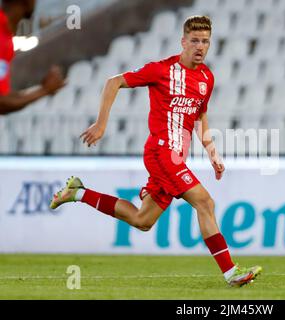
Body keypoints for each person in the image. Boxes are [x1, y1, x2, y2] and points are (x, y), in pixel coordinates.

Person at [49, 15, 262, 287]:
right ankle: (230, 272)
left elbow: (199, 117)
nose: (200, 46)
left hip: (175, 157)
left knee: (142, 220)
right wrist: (101, 124)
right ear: (183, 41)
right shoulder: (161, 70)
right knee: (205, 203)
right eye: (194, 40)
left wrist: (212, 153)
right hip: (161, 152)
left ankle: (77, 192)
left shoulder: (207, 78)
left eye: (205, 41)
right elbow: (114, 82)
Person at [0, 0, 65, 115]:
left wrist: (42, 90)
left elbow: (4, 97)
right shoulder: (3, 37)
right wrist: (44, 90)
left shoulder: (6, 36)